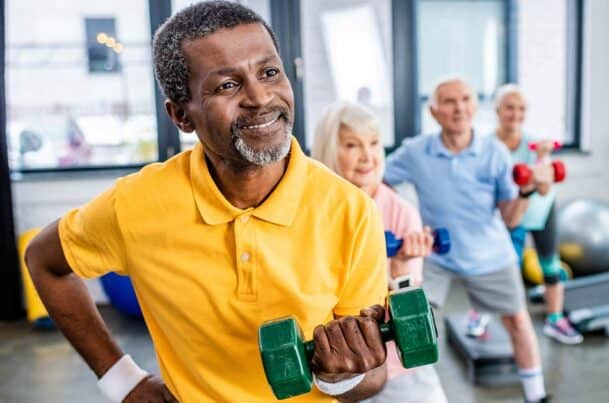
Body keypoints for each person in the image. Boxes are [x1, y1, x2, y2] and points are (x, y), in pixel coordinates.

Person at [25, 2, 390, 402]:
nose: (259, 97)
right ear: (181, 115)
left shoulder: (350, 211)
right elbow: (43, 260)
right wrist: (121, 380)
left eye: (269, 73)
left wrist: (341, 374)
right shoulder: (136, 205)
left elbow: (372, 379)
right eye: (227, 86)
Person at [384, 77, 551, 403]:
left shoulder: (494, 152)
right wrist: (400, 223)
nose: (458, 107)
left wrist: (528, 190)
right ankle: (426, 395)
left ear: (475, 107)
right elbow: (378, 181)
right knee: (413, 324)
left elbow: (510, 218)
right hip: (435, 257)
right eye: (448, 101)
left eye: (465, 99)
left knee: (518, 321)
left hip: (490, 254)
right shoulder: (416, 151)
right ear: (433, 111)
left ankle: (537, 395)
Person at [312, 101, 447, 403]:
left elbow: (408, 318)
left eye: (374, 144)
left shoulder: (401, 212)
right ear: (329, 150)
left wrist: (399, 269)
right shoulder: (316, 211)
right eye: (352, 145)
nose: (367, 156)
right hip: (337, 367)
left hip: (396, 363)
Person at [494, 84, 583, 345]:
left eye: (521, 108)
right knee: (498, 269)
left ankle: (555, 320)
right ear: (498, 110)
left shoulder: (534, 144)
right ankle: (482, 314)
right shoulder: (488, 145)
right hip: (508, 213)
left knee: (550, 265)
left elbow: (544, 190)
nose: (515, 114)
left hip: (541, 211)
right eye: (510, 107)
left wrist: (543, 158)